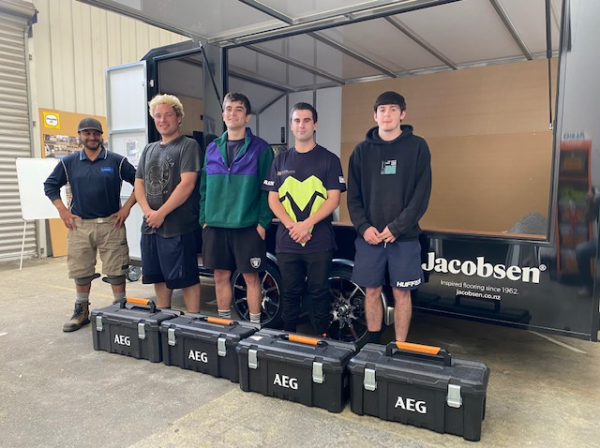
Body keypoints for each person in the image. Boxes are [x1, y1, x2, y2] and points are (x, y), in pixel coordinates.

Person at [347, 91, 432, 343]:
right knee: (371, 291)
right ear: (375, 115)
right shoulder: (361, 151)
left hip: (404, 238)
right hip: (370, 238)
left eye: (393, 109)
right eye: (382, 110)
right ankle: (373, 344)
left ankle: (400, 347)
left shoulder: (418, 147)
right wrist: (363, 227)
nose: (387, 114)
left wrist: (396, 228)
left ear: (402, 114)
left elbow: (421, 195)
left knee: (401, 293)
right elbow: (353, 197)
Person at [44, 117, 137, 332]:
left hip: (110, 225)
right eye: (87, 133)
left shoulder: (116, 161)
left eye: (96, 133)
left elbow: (139, 181)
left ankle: (120, 309)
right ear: (80, 136)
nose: (92, 137)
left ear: (101, 135)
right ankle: (81, 311)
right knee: (81, 270)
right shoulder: (69, 163)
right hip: (80, 226)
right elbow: (50, 186)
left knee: (116, 270)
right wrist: (62, 210)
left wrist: (127, 207)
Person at [263, 102, 346, 335]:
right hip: (288, 241)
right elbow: (273, 200)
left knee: (319, 292)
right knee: (289, 292)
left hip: (319, 240)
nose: (302, 125)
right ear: (291, 125)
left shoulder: (329, 159)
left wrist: (307, 225)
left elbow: (333, 200)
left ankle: (322, 342)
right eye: (297, 120)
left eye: (307, 120)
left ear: (315, 124)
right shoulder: (279, 160)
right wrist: (293, 227)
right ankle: (289, 341)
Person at [200, 92, 273, 324]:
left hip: (247, 227)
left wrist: (262, 224)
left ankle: (254, 327)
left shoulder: (261, 149)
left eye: (238, 109)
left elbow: (268, 190)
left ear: (247, 116)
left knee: (251, 277)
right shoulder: (212, 148)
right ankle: (223, 326)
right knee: (220, 276)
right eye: (228, 109)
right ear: (223, 115)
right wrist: (204, 217)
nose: (233, 113)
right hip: (215, 225)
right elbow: (203, 187)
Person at [135, 94, 201, 312]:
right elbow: (139, 183)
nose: (163, 120)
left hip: (178, 227)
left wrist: (160, 213)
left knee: (187, 278)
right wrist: (148, 212)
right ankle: (163, 317)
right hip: (151, 226)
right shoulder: (148, 149)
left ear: (179, 118)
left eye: (168, 115)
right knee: (159, 275)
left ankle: (193, 322)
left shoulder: (188, 145)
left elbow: (187, 184)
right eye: (158, 116)